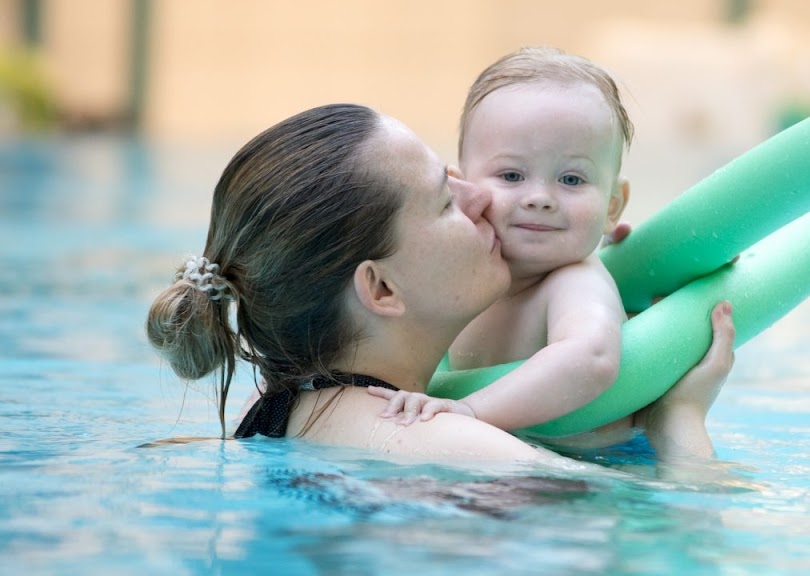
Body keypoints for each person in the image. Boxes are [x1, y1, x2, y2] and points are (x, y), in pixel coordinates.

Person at [146, 102, 735, 463]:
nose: (483, 198)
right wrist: (677, 419)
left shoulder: (273, 409)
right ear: (382, 291)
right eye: (445, 200)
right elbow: (677, 535)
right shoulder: (460, 450)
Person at [369, 48, 734, 460]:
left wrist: (471, 410)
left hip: (596, 470)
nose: (540, 197)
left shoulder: (574, 282)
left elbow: (591, 357)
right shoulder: (462, 277)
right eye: (512, 175)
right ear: (464, 188)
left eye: (571, 179)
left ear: (612, 206)